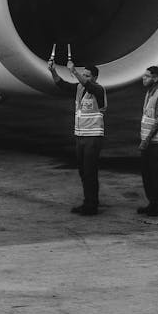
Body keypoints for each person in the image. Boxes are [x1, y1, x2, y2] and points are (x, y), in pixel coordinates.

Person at [49, 59, 107, 216]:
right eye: (84, 75)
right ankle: (89, 200)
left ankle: (91, 205)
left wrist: (74, 71)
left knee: (89, 172)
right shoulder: (79, 88)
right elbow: (61, 84)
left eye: (88, 76)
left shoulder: (98, 90)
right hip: (80, 136)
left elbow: (88, 85)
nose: (85, 78)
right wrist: (53, 71)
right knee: (83, 171)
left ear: (94, 78)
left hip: (93, 137)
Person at [138, 65, 158, 216]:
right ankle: (152, 203)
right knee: (148, 175)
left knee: (157, 175)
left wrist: (147, 140)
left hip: (156, 143)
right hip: (148, 141)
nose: (143, 78)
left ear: (155, 78)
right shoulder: (150, 93)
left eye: (146, 76)